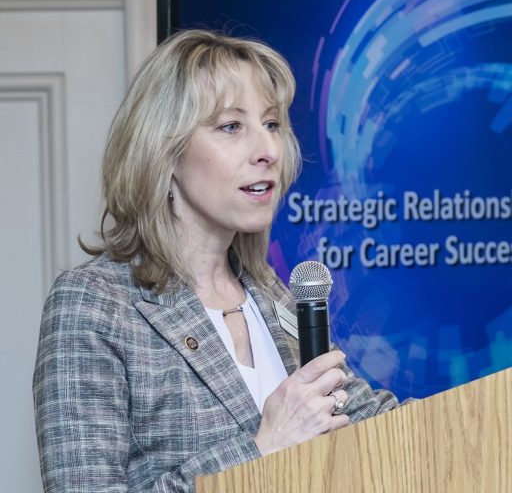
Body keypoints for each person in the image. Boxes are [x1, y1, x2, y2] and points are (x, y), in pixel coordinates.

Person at [33, 29, 401, 493]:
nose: (268, 150)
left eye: (271, 124)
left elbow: (386, 432)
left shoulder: (279, 300)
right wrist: (263, 447)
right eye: (231, 126)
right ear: (163, 150)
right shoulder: (96, 305)